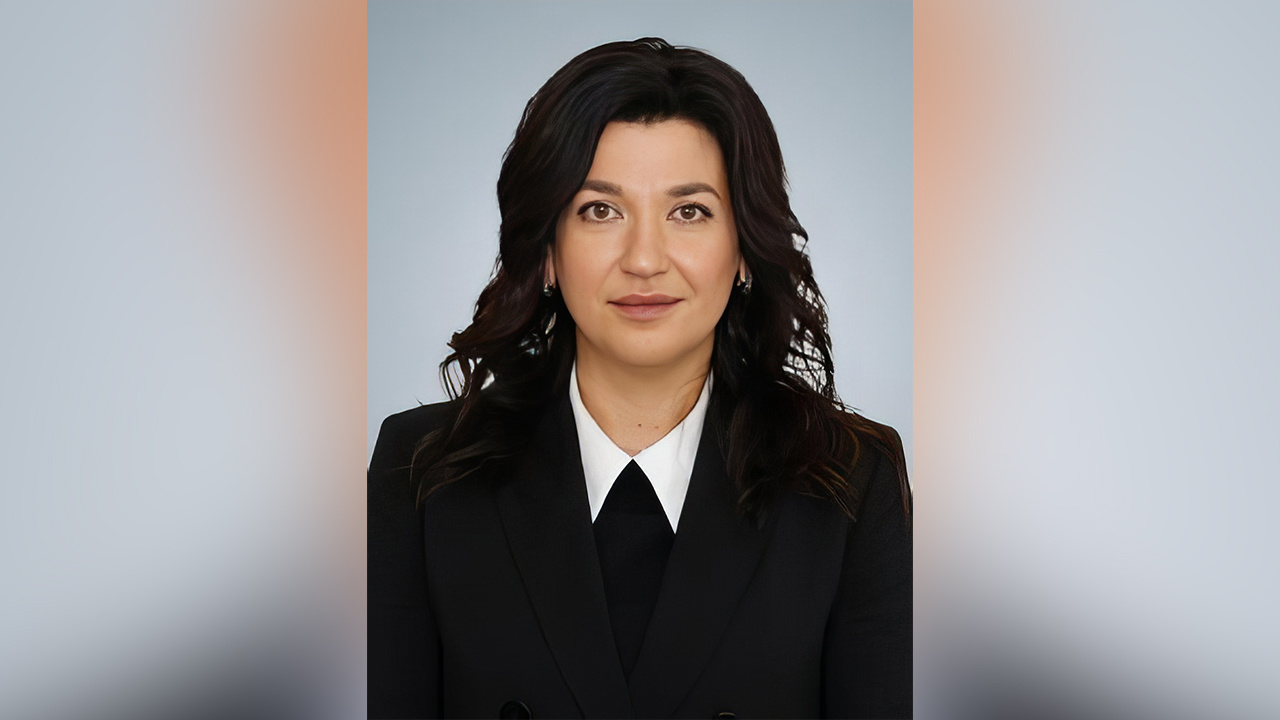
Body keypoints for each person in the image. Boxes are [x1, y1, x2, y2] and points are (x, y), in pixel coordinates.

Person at [368, 37, 912, 719]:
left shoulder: (850, 483)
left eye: (689, 211)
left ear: (744, 249)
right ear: (547, 251)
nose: (645, 259)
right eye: (600, 210)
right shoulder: (422, 473)